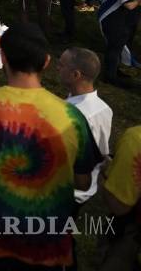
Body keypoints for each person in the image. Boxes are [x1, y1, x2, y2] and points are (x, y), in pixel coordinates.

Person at [0, 23, 101, 269]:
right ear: (46, 62)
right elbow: (83, 181)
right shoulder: (73, 117)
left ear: (2, 57)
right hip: (45, 246)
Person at [57, 47, 112, 207]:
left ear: (76, 75)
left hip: (68, 191)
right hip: (87, 185)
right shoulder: (105, 108)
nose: (57, 67)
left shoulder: (70, 115)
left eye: (61, 65)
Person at [97, 0, 137, 87]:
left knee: (114, 47)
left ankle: (114, 70)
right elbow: (129, 5)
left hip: (107, 16)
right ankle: (110, 76)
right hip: (115, 19)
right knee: (114, 48)